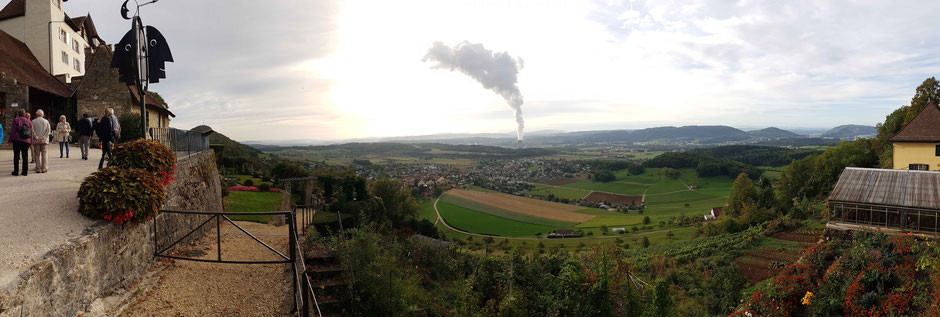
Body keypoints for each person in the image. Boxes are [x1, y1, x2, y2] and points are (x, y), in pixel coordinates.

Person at [8, 109, 32, 176]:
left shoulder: (16, 120)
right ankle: (25, 172)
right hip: (26, 141)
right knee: (25, 156)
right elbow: (31, 133)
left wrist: (10, 140)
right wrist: (31, 141)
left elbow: (13, 131)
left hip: (17, 140)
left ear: (18, 114)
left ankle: (16, 172)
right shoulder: (29, 122)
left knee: (16, 156)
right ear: (24, 114)